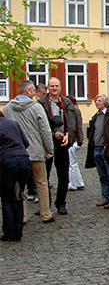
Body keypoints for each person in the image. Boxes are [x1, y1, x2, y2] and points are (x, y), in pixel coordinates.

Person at [2, 80, 55, 223]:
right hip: (37, 150)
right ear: (28, 91)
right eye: (32, 90)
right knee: (42, 184)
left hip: (16, 151)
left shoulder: (7, 109)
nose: (33, 93)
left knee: (19, 186)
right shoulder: (37, 107)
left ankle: (22, 216)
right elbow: (45, 130)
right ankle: (46, 213)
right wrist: (49, 149)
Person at [38, 77, 78, 215]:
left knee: (64, 176)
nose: (54, 88)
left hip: (63, 144)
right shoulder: (41, 103)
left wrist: (68, 134)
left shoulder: (66, 102)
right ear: (48, 88)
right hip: (47, 144)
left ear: (60, 87)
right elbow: (40, 123)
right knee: (45, 177)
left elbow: (72, 122)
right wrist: (53, 133)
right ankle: (45, 205)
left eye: (56, 86)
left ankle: (61, 203)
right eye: (52, 86)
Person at [0, 116, 31, 241]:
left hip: (6, 160)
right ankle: (18, 231)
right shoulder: (14, 123)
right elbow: (26, 143)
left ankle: (9, 232)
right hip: (23, 159)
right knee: (18, 195)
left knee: (7, 198)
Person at [66, 95, 85, 191]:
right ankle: (79, 182)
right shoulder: (76, 110)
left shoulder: (73, 111)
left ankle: (73, 184)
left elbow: (76, 126)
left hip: (73, 140)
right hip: (76, 140)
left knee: (71, 163)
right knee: (74, 162)